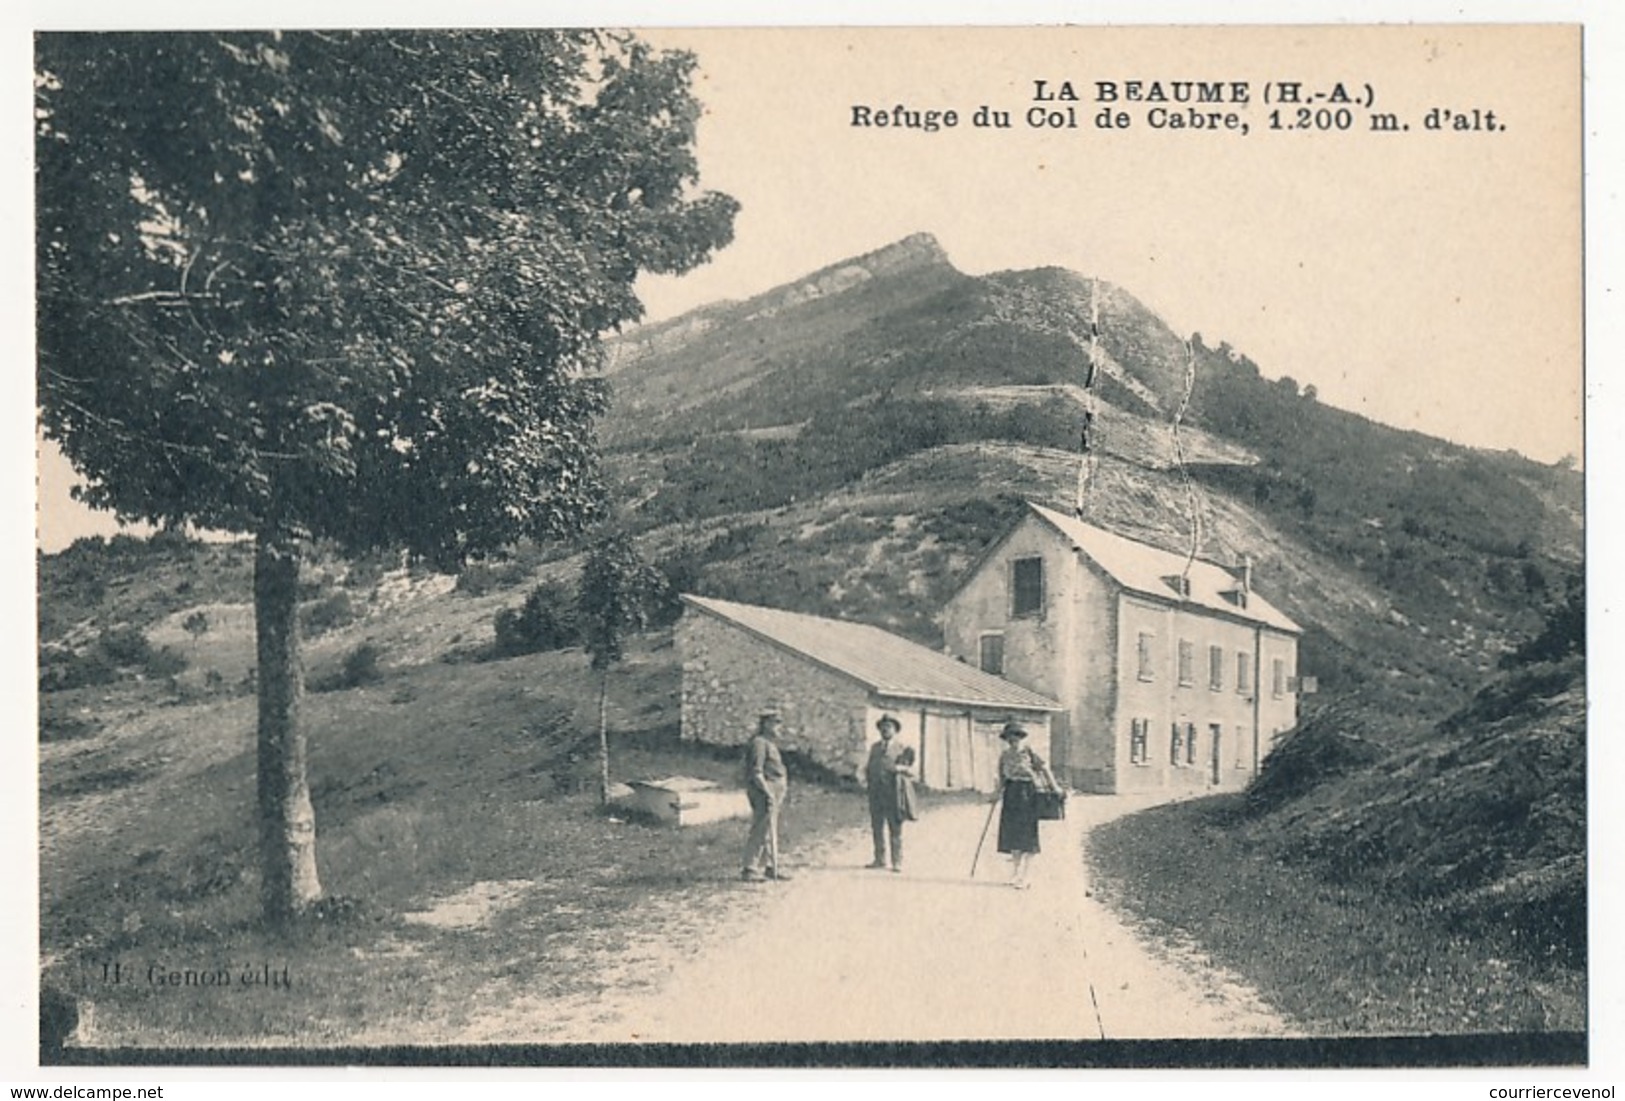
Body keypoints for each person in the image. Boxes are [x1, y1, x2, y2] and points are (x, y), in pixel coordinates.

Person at [992, 722, 1056, 889]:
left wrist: (1055, 788)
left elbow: (1044, 770)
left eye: (1016, 737)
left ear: (1021, 737)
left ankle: (1026, 876)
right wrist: (996, 793)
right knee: (1012, 835)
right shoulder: (1005, 755)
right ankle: (1015, 874)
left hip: (1028, 793)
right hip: (1011, 794)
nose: (1013, 741)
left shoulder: (1029, 752)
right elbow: (1002, 777)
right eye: (1010, 738)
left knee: (1027, 835)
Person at [741, 708, 791, 882]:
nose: (778, 727)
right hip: (764, 791)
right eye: (775, 723)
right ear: (766, 724)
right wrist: (767, 792)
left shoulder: (770, 743)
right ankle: (749, 868)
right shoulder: (759, 743)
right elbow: (757, 772)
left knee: (770, 830)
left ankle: (771, 866)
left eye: (779, 723)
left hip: (774, 790)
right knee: (760, 829)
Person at [864, 714, 916, 872]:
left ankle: (897, 861)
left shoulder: (902, 749)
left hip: (894, 795)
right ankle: (879, 859)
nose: (885, 730)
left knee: (895, 828)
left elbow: (910, 771)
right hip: (876, 794)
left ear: (895, 730)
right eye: (883, 727)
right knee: (877, 827)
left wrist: (901, 769)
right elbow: (869, 768)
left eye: (889, 727)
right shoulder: (875, 748)